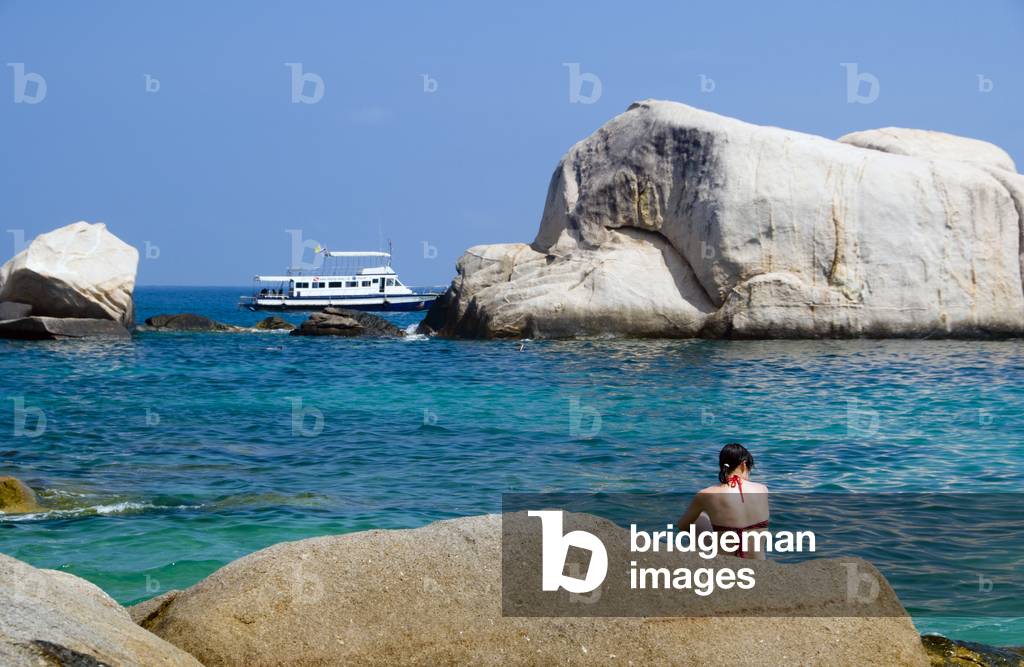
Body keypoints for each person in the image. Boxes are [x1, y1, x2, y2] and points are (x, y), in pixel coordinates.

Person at [676, 443, 769, 559]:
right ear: (743, 465)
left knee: (700, 518)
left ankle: (698, 557)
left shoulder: (706, 494)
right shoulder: (762, 489)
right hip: (759, 564)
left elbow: (682, 526)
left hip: (726, 564)